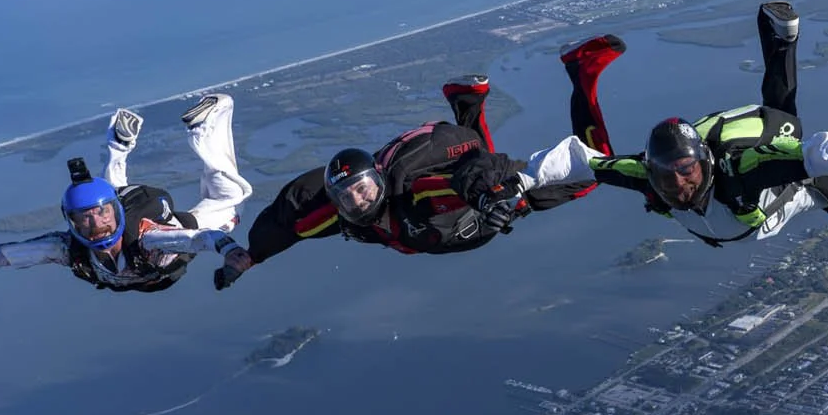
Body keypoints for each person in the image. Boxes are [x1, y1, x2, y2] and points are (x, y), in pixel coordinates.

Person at [553, 1, 828, 247]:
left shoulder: (739, 184)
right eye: (670, 178)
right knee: (784, 122)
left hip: (786, 186)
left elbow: (816, 164)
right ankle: (781, 38)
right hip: (757, 166)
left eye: (685, 173)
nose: (679, 185)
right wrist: (521, 182)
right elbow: (582, 161)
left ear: (703, 164)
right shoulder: (648, 175)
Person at [214, 77, 583, 285]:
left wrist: (492, 197)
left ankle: (586, 70)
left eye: (362, 189)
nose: (358, 200)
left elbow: (482, 166)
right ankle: (467, 102)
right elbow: (288, 222)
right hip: (457, 219)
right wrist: (251, 257)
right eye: (347, 197)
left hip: (494, 201)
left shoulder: (418, 194)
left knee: (586, 175)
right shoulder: (338, 211)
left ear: (377, 178)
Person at [0, 94, 251, 298]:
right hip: (146, 273)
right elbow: (0, 256)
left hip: (171, 244)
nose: (97, 225)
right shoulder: (69, 248)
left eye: (103, 214)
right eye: (86, 218)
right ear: (72, 222)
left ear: (116, 213)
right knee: (113, 192)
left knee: (231, 199)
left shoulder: (150, 238)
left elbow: (199, 239)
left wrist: (230, 248)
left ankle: (209, 125)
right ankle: (117, 148)